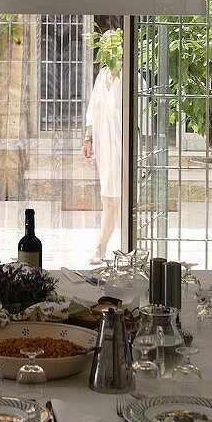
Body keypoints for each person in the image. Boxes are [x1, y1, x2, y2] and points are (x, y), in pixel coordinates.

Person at [82, 30, 123, 265]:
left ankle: (100, 247)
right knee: (110, 198)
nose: (109, 50)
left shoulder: (129, 76)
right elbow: (92, 110)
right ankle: (112, 248)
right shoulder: (102, 75)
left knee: (111, 199)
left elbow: (145, 114)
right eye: (106, 46)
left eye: (114, 45)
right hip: (104, 147)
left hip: (122, 146)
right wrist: (88, 139)